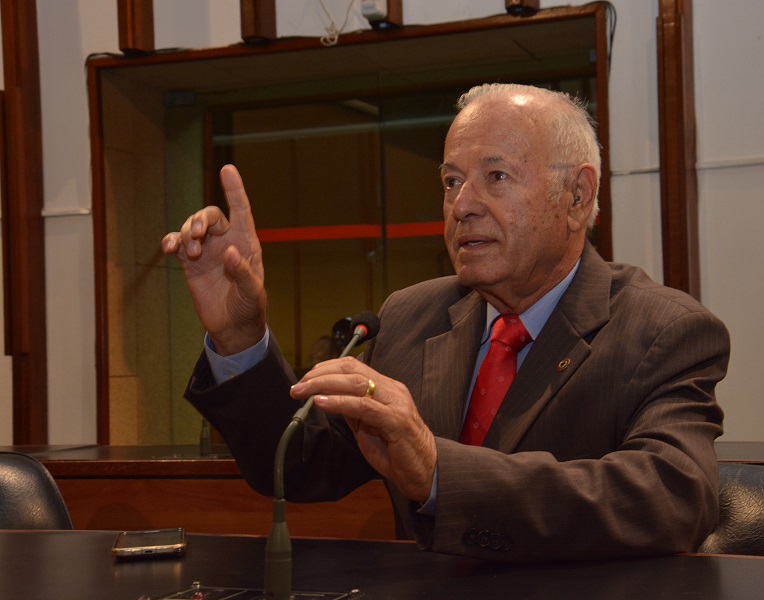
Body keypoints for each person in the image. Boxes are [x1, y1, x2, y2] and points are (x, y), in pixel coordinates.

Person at [161, 83, 729, 562]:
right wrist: (239, 337)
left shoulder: (661, 331)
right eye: (452, 181)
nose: (461, 206)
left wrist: (439, 472)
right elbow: (300, 464)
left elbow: (673, 497)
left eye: (496, 176)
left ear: (577, 197)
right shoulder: (412, 316)